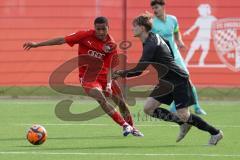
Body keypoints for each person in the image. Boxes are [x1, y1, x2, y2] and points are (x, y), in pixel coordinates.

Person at [23, 16, 143, 137]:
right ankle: (124, 125)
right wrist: (37, 44)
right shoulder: (84, 35)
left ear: (108, 28)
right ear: (94, 28)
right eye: (98, 29)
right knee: (101, 98)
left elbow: (111, 66)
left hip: (104, 76)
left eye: (104, 29)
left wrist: (108, 84)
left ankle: (133, 128)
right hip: (88, 78)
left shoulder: (111, 44)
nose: (101, 32)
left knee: (121, 102)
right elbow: (61, 40)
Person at [113, 14, 223, 145]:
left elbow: (139, 70)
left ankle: (215, 133)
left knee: (184, 114)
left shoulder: (150, 45)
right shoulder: (154, 37)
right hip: (166, 81)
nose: (133, 29)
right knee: (149, 108)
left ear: (142, 28)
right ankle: (182, 124)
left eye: (135, 26)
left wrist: (121, 73)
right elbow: (169, 49)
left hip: (178, 79)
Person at [150, 0, 207, 115]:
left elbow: (176, 32)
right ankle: (175, 106)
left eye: (157, 7)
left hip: (176, 56)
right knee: (171, 82)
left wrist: (179, 41)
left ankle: (196, 107)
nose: (155, 10)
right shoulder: (152, 24)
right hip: (164, 59)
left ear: (163, 7)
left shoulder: (173, 20)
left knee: (186, 77)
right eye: (153, 8)